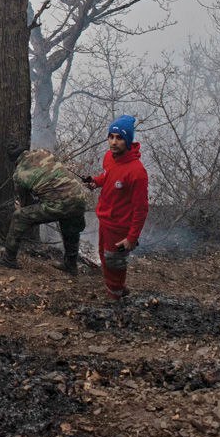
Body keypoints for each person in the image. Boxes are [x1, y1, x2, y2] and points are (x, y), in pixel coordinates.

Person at [83, 115, 149, 301]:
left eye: (119, 138)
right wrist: (95, 182)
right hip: (105, 220)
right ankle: (118, 288)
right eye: (111, 137)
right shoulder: (109, 158)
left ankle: (115, 298)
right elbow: (107, 177)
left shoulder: (137, 172)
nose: (113, 142)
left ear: (128, 140)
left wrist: (131, 238)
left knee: (114, 261)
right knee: (104, 257)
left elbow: (141, 209)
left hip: (121, 227)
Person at [0, 149, 87, 274]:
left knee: (19, 216)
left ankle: (8, 258)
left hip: (60, 202)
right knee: (70, 226)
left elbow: (25, 203)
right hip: (79, 196)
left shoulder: (19, 174)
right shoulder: (43, 152)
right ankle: (71, 265)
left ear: (15, 161)